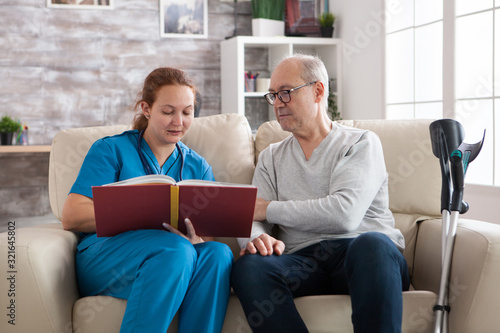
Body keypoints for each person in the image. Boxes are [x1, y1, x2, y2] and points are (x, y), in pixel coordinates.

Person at [230, 54, 410, 333]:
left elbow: (344, 215)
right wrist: (256, 237)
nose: (277, 103)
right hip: (303, 262)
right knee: (249, 267)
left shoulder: (361, 142)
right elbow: (251, 216)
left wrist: (269, 209)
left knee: (371, 244)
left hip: (363, 254)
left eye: (286, 93)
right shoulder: (271, 157)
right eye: (273, 95)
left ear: (318, 91)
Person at [61, 67, 233, 333]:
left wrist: (198, 239)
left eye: (187, 112)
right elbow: (72, 215)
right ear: (147, 108)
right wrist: (135, 215)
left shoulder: (198, 167)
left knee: (218, 254)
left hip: (175, 258)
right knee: (175, 249)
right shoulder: (111, 150)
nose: (179, 121)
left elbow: (206, 236)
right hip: (108, 258)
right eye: (168, 111)